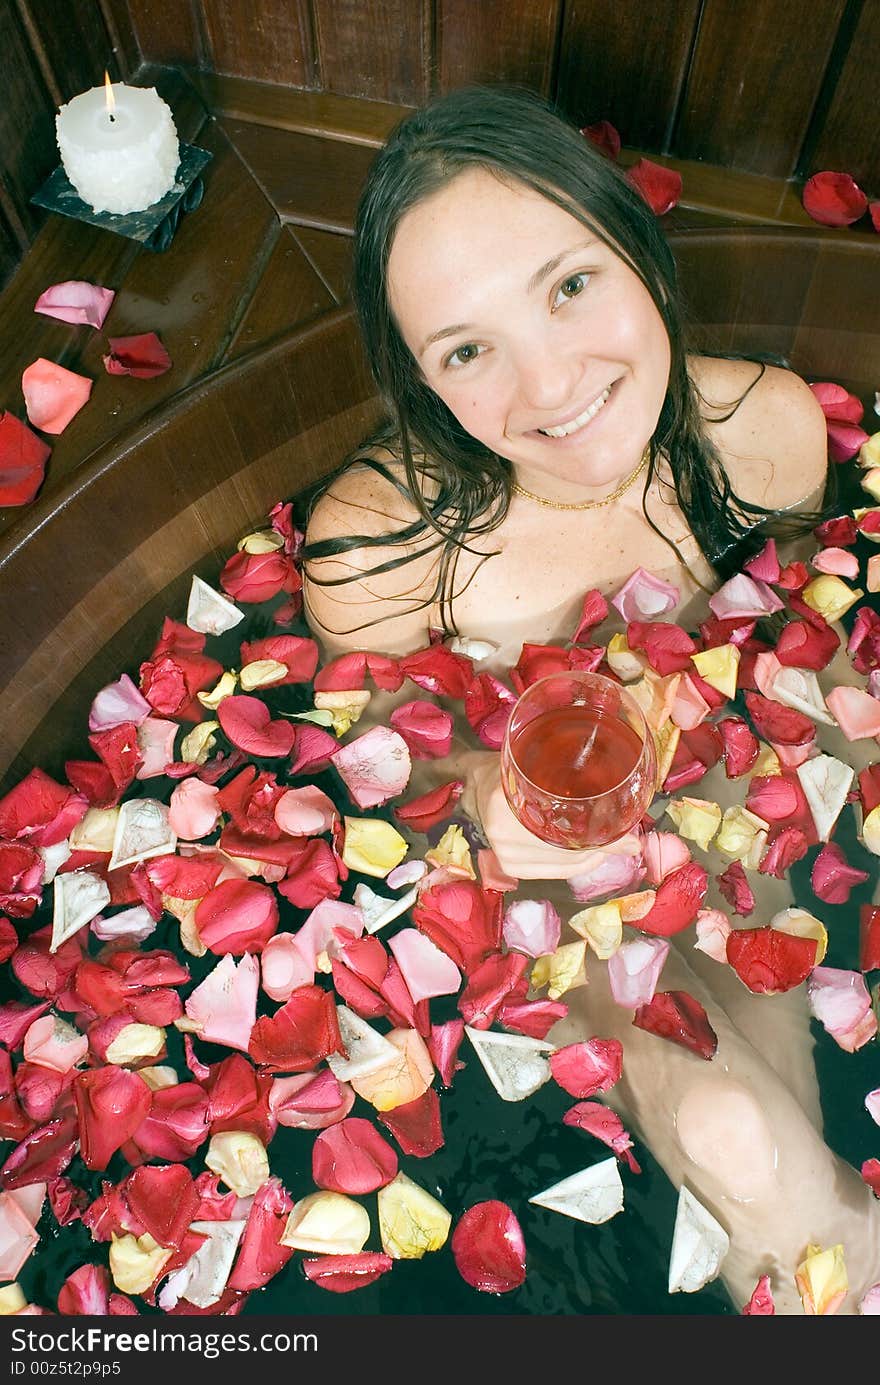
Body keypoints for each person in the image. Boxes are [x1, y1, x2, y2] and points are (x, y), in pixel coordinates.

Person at [300, 85, 880, 1313]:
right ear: (421, 381)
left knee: (747, 1137)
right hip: (559, 859)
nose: (551, 381)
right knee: (727, 1126)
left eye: (569, 284)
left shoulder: (764, 433)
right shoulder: (378, 552)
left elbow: (814, 634)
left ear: (636, 242)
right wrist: (476, 795)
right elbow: (373, 761)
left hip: (748, 772)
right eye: (467, 349)